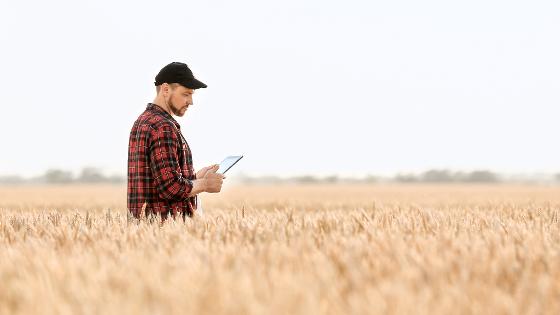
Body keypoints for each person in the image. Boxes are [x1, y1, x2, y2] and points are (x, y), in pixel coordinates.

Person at [127, 62, 224, 221]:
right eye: (186, 94)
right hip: (164, 230)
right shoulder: (162, 127)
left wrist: (195, 178)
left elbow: (159, 178)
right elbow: (170, 187)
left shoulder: (143, 121)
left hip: (146, 232)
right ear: (165, 89)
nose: (191, 101)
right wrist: (205, 184)